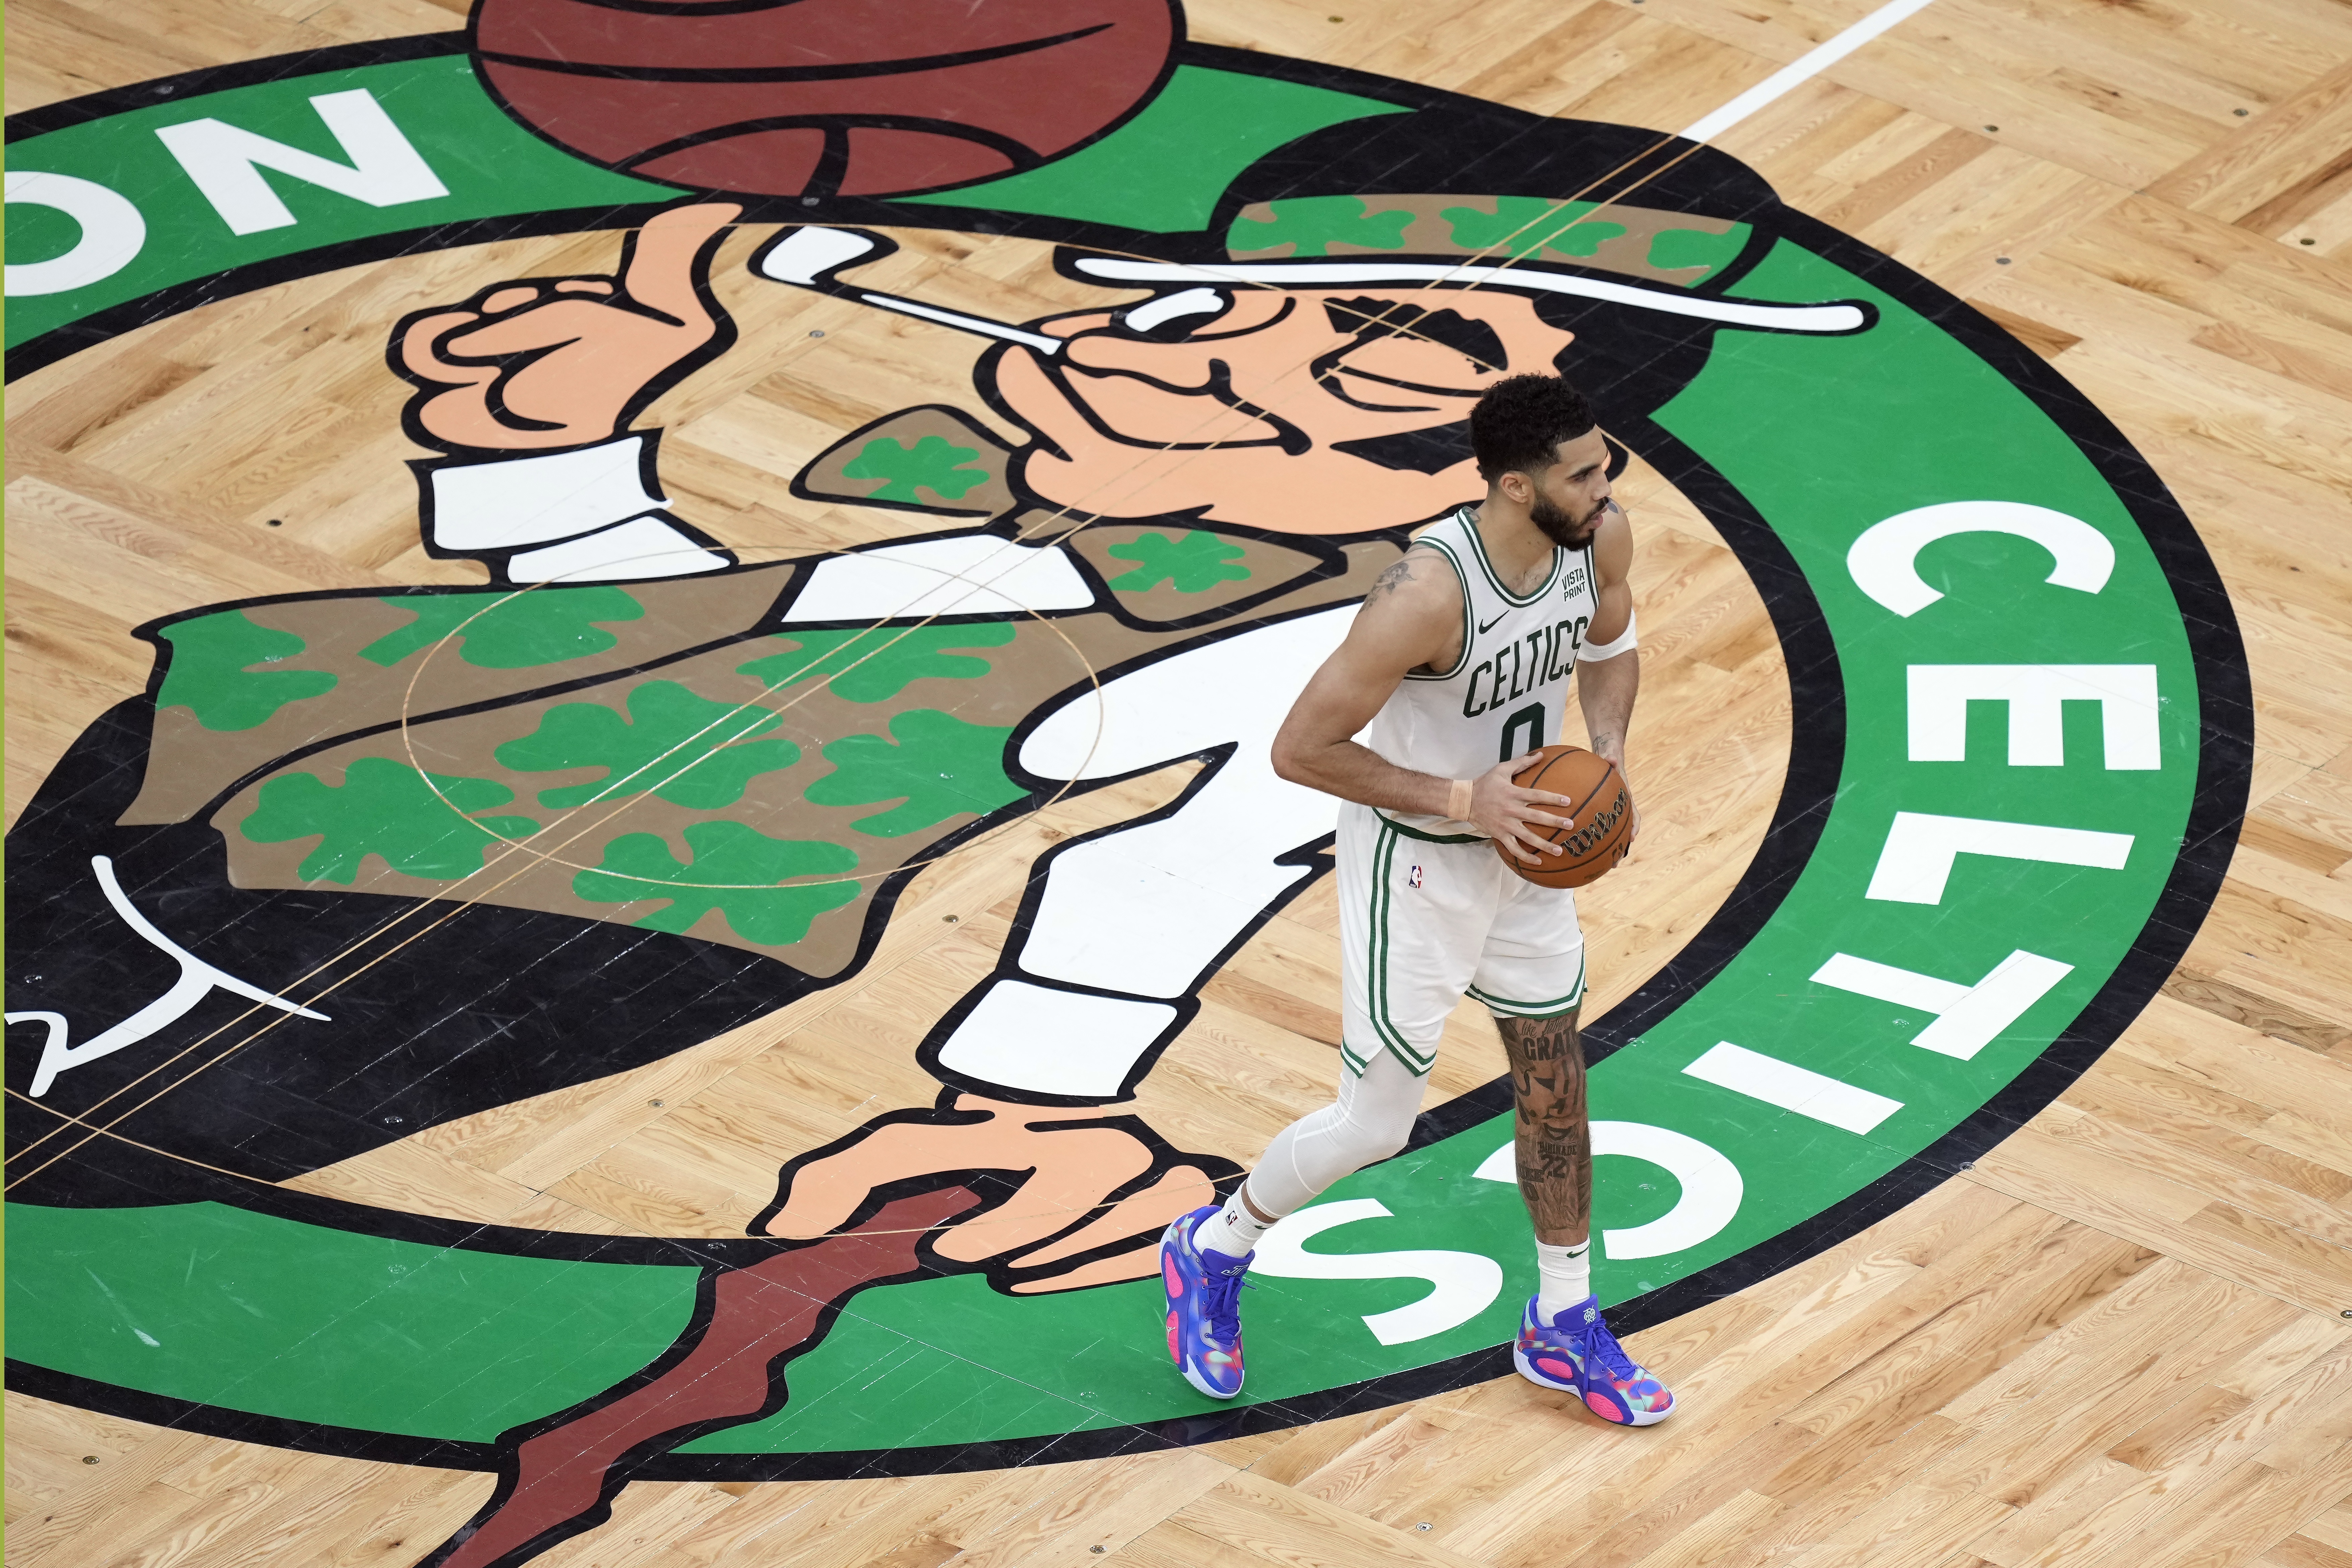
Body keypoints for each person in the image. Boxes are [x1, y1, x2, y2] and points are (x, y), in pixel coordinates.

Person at [1158, 371, 1675, 1427]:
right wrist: (1462, 799)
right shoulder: (1427, 595)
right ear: (1516, 486)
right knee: (1375, 1122)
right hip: (1419, 859)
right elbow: (1300, 749)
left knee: (1553, 1078)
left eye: (1604, 463)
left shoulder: (1598, 540)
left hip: (1526, 848)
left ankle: (1563, 1318)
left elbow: (1609, 647)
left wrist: (1609, 756)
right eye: (1582, 475)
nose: (1606, 486)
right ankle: (1215, 1244)